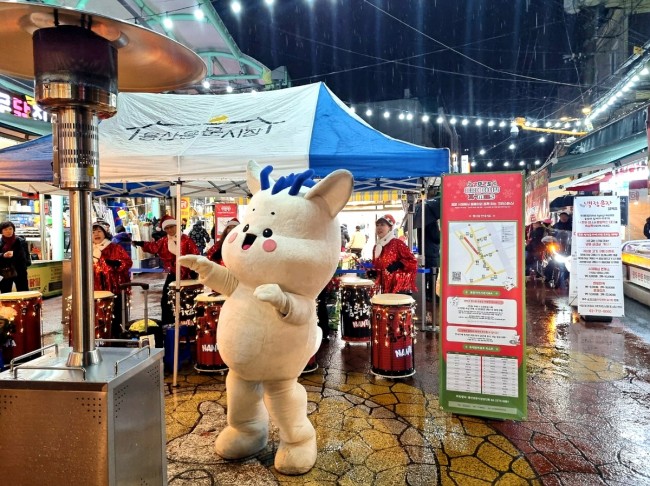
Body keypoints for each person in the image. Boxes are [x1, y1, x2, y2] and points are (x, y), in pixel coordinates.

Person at [132, 216, 199, 325]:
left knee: (187, 299)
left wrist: (193, 269)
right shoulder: (164, 241)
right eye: (167, 228)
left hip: (188, 274)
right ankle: (168, 323)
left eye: (171, 227)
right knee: (167, 299)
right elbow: (154, 246)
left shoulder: (186, 239)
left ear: (176, 226)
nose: (169, 230)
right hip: (173, 273)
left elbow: (195, 254)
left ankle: (187, 323)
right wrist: (141, 243)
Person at [92, 220, 132, 337]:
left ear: (105, 233)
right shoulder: (87, 250)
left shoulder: (114, 247)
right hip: (94, 290)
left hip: (114, 289)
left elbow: (127, 262)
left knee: (115, 316)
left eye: (99, 231)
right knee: (97, 317)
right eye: (93, 232)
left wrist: (117, 264)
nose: (96, 234)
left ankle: (116, 337)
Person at [367, 214, 417, 294]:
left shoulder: (397, 243)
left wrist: (398, 264)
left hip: (398, 289)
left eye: (382, 225)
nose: (379, 228)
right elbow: (380, 267)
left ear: (390, 228)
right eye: (377, 225)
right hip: (384, 290)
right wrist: (375, 273)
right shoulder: (377, 247)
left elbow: (412, 261)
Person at [0, 221, 31, 293]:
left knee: (23, 291)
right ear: (1, 231)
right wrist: (3, 255)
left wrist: (26, 264)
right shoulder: (0, 242)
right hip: (5, 271)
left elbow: (26, 254)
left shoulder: (21, 241)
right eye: (5, 229)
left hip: (20, 270)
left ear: (13, 229)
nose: (8, 231)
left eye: (10, 229)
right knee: (6, 293)